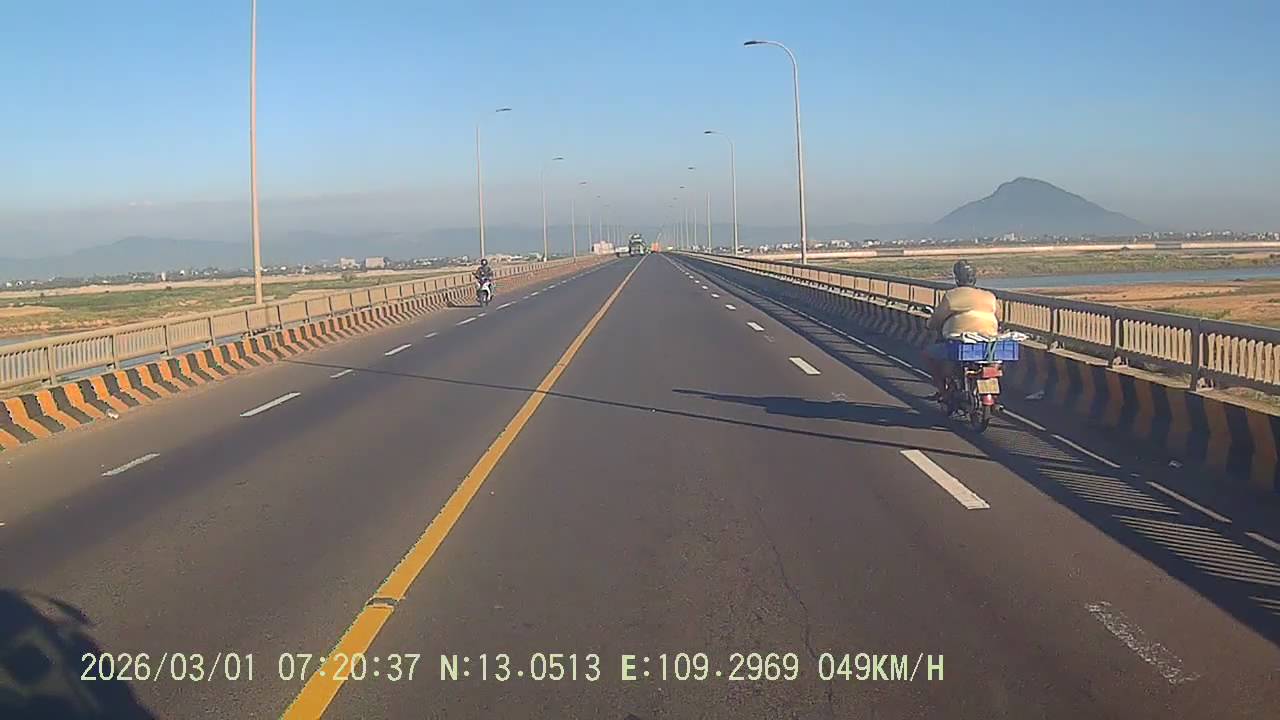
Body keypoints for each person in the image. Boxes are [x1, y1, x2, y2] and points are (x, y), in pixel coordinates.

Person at [924, 260, 1001, 399]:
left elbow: (937, 319)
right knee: (993, 361)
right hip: (988, 341)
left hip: (960, 341)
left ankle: (942, 391)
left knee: (929, 354)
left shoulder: (952, 296)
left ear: (957, 278)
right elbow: (998, 317)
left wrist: (930, 325)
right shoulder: (989, 296)